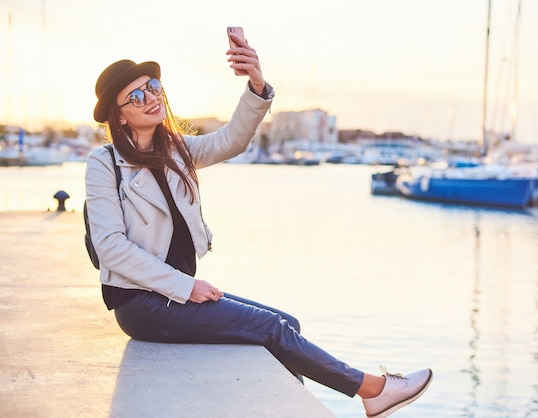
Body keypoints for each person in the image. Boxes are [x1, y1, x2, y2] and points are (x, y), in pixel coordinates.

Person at [85, 30, 432, 418]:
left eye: (152, 87)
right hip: (143, 303)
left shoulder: (177, 151)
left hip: (177, 294)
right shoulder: (106, 163)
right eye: (136, 96)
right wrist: (186, 286)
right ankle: (373, 389)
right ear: (119, 115)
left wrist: (256, 85)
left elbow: (231, 140)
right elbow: (110, 246)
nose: (150, 98)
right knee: (271, 328)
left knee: (288, 323)